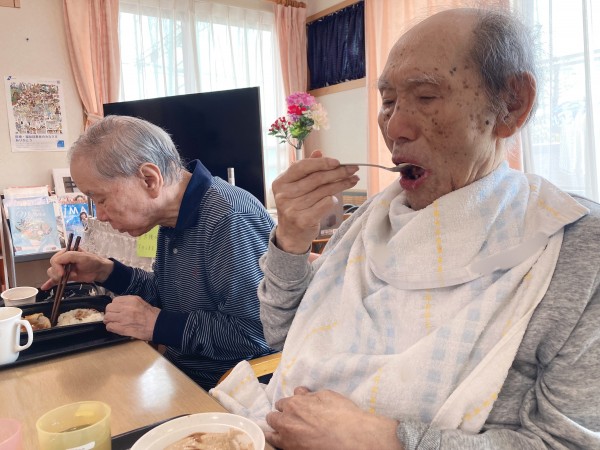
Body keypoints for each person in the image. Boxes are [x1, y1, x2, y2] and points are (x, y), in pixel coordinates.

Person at [210, 7, 600, 449]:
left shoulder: (574, 251)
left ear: (512, 104)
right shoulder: (370, 220)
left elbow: (566, 443)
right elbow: (283, 334)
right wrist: (291, 241)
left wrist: (380, 438)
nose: (394, 127)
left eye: (426, 96)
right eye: (388, 101)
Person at [43, 115, 276, 390]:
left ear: (149, 179)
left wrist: (157, 323)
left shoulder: (229, 219)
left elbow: (255, 333)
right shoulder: (171, 218)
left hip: (234, 388)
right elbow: (169, 296)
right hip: (180, 374)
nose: (101, 215)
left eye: (101, 199)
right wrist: (105, 271)